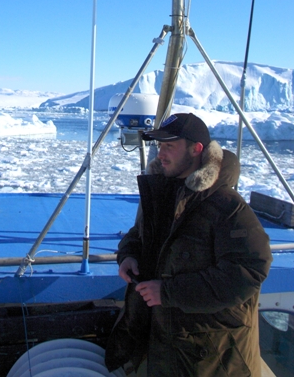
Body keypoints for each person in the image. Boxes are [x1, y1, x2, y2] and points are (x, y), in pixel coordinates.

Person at [105, 112, 272, 377]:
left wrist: (169, 292)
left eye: (169, 146)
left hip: (210, 359)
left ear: (196, 150)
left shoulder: (227, 206)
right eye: (160, 146)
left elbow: (249, 270)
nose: (161, 154)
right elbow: (138, 234)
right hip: (164, 348)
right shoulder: (164, 193)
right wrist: (128, 255)